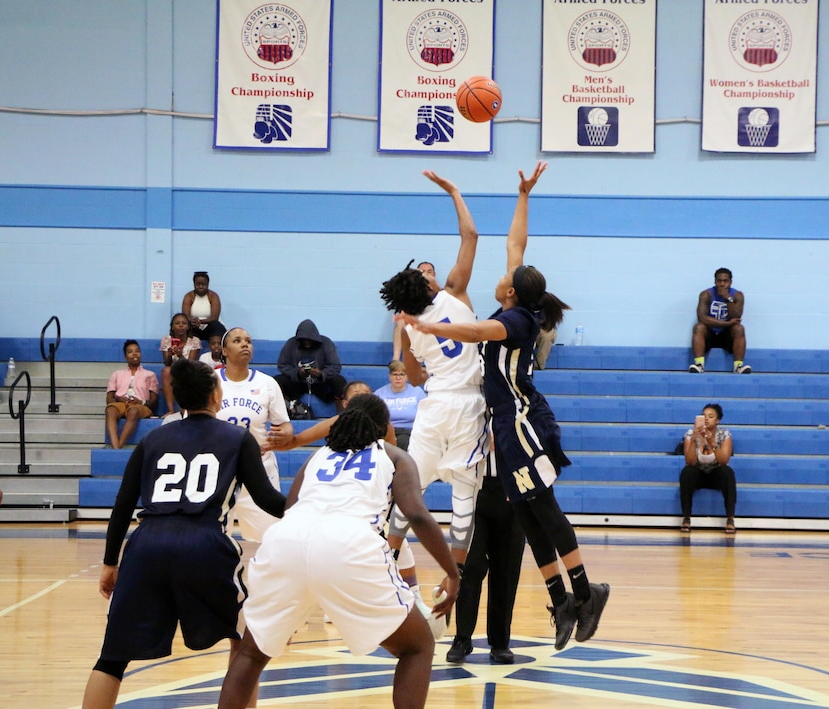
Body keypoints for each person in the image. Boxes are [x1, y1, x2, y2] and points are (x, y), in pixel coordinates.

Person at [397, 162, 610, 651]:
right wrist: (523, 195)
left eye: (505, 277)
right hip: (503, 424)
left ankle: (586, 592)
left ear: (511, 291)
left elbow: (473, 332)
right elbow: (518, 245)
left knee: (545, 511)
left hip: (524, 421)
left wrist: (429, 329)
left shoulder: (514, 321)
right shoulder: (514, 302)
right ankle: (562, 601)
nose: (501, 273)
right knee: (531, 518)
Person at [217, 394, 460, 709]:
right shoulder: (395, 455)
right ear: (385, 427)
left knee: (251, 652)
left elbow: (290, 508)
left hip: (285, 541)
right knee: (418, 646)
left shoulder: (318, 456)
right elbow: (417, 514)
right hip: (350, 543)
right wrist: (453, 572)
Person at [80, 359, 286, 709]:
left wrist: (110, 562)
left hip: (146, 544)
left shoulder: (154, 437)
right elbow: (268, 499)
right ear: (217, 394)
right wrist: (314, 508)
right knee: (247, 643)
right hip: (204, 543)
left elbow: (123, 504)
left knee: (112, 656)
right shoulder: (238, 438)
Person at [379, 170, 490, 629]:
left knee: (410, 491)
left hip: (434, 403)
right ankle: (455, 575)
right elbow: (471, 234)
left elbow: (415, 372)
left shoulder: (406, 327)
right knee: (464, 496)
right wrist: (454, 191)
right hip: (467, 404)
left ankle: (380, 562)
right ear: (427, 287)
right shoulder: (455, 292)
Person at [446, 451, 526, 665]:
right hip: (475, 488)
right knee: (470, 566)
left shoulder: (521, 415)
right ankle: (462, 637)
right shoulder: (469, 415)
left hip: (513, 488)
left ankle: (500, 642)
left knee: (506, 569)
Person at [217, 327, 293, 545]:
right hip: (221, 469)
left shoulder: (267, 383)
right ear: (224, 350)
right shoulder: (211, 381)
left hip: (260, 469)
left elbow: (285, 426)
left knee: (270, 540)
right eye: (238, 340)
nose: (245, 344)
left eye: (248, 341)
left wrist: (283, 435)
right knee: (215, 540)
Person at [678, 403, 737, 534]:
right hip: (698, 473)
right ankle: (686, 518)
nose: (706, 419)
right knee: (687, 472)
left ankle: (730, 519)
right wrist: (693, 441)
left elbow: (723, 461)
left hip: (716, 472)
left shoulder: (724, 434)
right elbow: (690, 461)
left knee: (728, 473)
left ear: (717, 420)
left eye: (710, 416)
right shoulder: (690, 433)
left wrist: (712, 443)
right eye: (704, 416)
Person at [274, 319, 347, 414]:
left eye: (310, 340)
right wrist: (297, 373)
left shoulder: (326, 343)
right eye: (304, 340)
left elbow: (335, 366)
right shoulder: (291, 344)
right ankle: (288, 411)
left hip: (320, 384)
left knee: (339, 381)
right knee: (276, 381)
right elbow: (282, 364)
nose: (307, 343)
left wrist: (322, 374)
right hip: (298, 383)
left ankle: (342, 416)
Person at [689, 268, 751, 374]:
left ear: (730, 282)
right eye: (719, 281)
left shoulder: (737, 295)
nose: (722, 284)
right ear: (715, 281)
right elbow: (702, 318)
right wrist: (727, 323)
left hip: (726, 335)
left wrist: (728, 298)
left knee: (739, 329)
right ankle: (699, 364)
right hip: (710, 334)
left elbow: (736, 316)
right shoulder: (706, 294)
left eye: (725, 281)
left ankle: (738, 366)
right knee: (699, 327)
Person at [104, 340, 159, 449]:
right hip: (121, 403)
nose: (134, 354)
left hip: (140, 405)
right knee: (110, 410)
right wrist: (119, 401)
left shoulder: (150, 375)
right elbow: (109, 398)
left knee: (133, 411)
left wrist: (141, 402)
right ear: (125, 356)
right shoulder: (117, 374)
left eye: (137, 351)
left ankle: (118, 447)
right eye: (130, 352)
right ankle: (116, 448)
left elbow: (154, 401)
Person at [373, 360, 427, 451]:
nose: (398, 377)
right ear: (390, 376)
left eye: (402, 374)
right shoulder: (379, 393)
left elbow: (426, 414)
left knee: (403, 441)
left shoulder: (417, 392)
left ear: (407, 377)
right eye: (395, 374)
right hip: (387, 431)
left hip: (411, 431)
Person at [160, 313, 201, 415]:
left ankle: (185, 409)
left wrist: (180, 355)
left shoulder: (195, 341)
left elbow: (190, 365)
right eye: (177, 323)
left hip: (188, 371)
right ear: (173, 327)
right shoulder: (166, 340)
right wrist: (169, 354)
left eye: (184, 323)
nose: (181, 326)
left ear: (188, 327)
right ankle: (171, 410)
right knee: (166, 371)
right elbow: (167, 364)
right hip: (173, 371)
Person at [181, 271, 226, 339]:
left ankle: (217, 347)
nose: (201, 287)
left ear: (208, 284)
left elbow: (214, 318)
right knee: (184, 327)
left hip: (210, 327)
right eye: (198, 284)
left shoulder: (214, 296)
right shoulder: (188, 296)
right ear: (194, 284)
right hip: (194, 327)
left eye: (204, 284)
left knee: (217, 326)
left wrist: (200, 321)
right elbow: (185, 316)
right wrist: (194, 322)